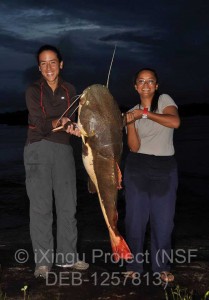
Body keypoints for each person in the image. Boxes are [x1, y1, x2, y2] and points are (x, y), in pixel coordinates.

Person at [24, 44, 89, 279]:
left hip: (63, 149)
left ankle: (67, 257)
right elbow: (39, 124)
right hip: (37, 149)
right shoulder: (33, 90)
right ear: (39, 68)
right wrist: (60, 122)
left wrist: (74, 128)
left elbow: (69, 121)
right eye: (43, 63)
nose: (48, 67)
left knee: (67, 205)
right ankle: (42, 262)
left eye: (53, 62)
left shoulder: (70, 89)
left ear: (61, 64)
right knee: (41, 207)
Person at [123, 68, 180, 283]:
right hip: (138, 166)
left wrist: (144, 114)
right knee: (135, 219)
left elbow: (174, 122)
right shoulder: (130, 111)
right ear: (135, 86)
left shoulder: (164, 100)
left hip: (165, 167)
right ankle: (133, 266)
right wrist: (130, 123)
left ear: (156, 86)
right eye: (141, 81)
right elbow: (134, 147)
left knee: (164, 221)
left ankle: (161, 267)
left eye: (150, 81)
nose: (146, 85)